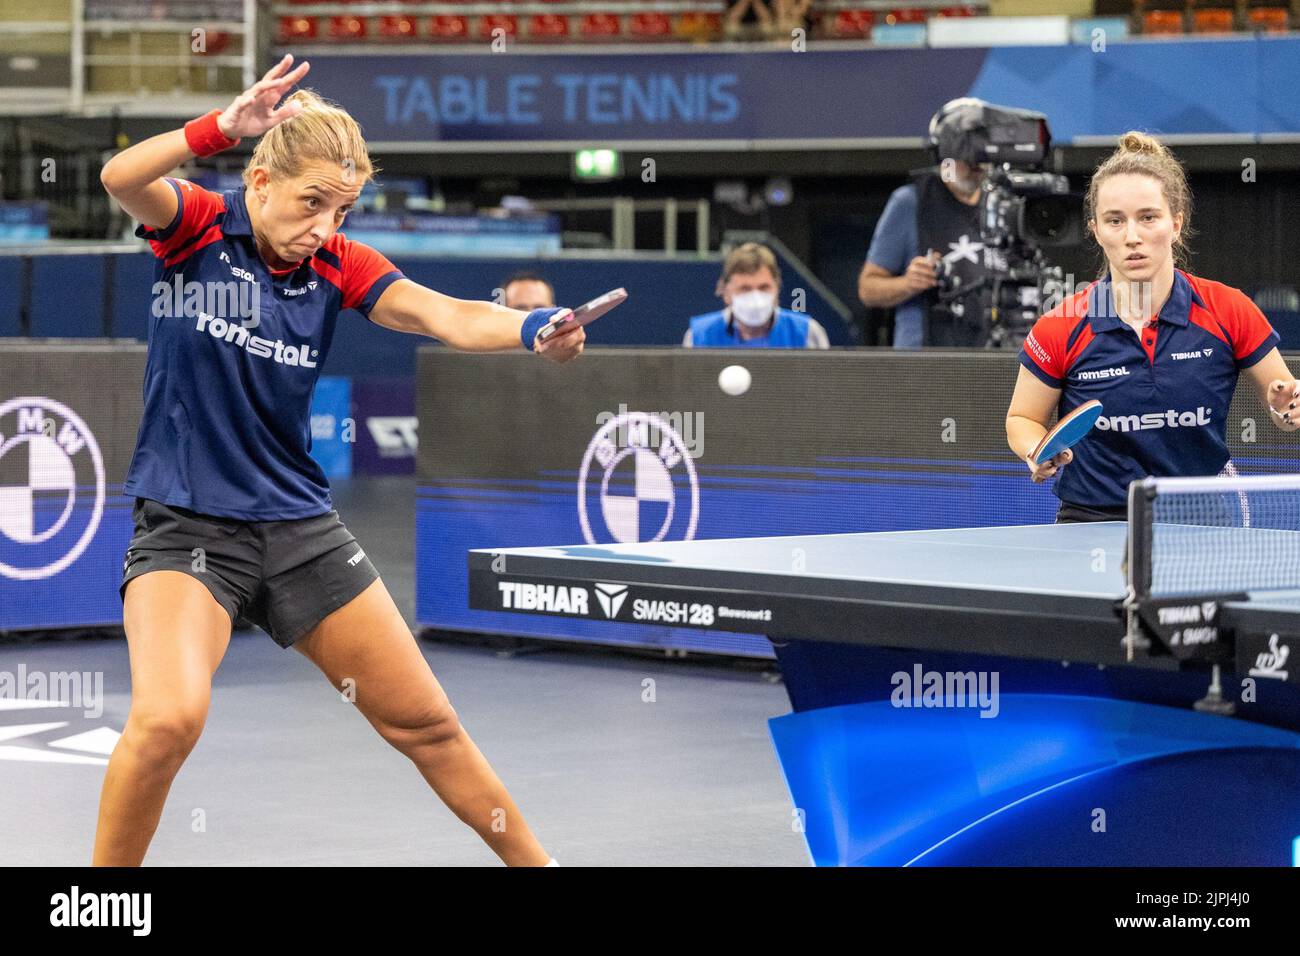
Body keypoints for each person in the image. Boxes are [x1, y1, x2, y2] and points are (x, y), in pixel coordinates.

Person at [94, 56, 583, 866]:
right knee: (168, 719)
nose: (325, 225)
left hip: (298, 528)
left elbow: (446, 315)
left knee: (426, 724)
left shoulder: (337, 264)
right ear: (258, 182)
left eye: (343, 209)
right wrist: (217, 127)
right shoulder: (196, 225)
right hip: (187, 527)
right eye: (311, 202)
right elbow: (120, 175)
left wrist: (534, 329)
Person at [1006, 131, 1299, 523]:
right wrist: (1035, 451)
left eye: (1148, 218)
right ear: (1095, 229)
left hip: (1199, 518)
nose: (1132, 237)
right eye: (1115, 221)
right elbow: (1022, 418)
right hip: (1092, 520)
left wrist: (1287, 409)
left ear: (1176, 223)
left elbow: (1284, 406)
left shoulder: (1229, 309)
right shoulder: (1062, 324)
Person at [858, 98, 990, 348]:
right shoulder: (910, 202)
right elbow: (867, 289)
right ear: (943, 155)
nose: (974, 166)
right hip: (925, 365)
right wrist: (907, 284)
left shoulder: (1004, 204)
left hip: (990, 354)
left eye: (980, 157)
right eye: (965, 156)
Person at [684, 241, 829, 348]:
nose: (755, 297)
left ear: (777, 288)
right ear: (726, 292)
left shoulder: (807, 333)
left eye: (764, 287)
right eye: (745, 288)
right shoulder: (699, 336)